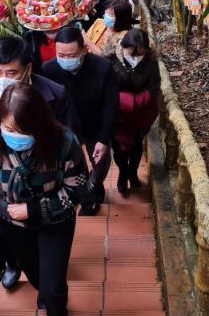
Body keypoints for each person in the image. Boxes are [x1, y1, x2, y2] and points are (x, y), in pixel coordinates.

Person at [0, 83, 89, 316]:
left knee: (52, 283)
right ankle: (44, 293)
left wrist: (34, 210)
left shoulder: (64, 143)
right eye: (9, 129)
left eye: (24, 130)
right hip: (10, 222)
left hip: (55, 221)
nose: (16, 136)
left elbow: (78, 188)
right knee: (34, 274)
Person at [42, 25, 118, 214]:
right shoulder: (49, 69)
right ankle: (86, 196)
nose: (66, 60)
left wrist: (104, 139)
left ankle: (93, 184)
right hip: (65, 128)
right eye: (61, 55)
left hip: (95, 125)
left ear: (84, 49)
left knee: (101, 163)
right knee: (71, 166)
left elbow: (111, 105)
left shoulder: (103, 68)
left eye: (72, 55)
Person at [0, 35, 79, 139]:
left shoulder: (57, 94)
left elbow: (70, 138)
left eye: (11, 73)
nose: (4, 78)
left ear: (28, 69)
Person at [110, 28, 161, 195]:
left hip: (140, 114)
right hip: (118, 113)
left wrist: (135, 103)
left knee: (136, 145)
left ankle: (133, 172)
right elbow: (108, 89)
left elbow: (153, 89)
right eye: (129, 53)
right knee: (119, 148)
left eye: (138, 54)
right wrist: (125, 101)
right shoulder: (112, 60)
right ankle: (123, 172)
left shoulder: (151, 64)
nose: (133, 58)